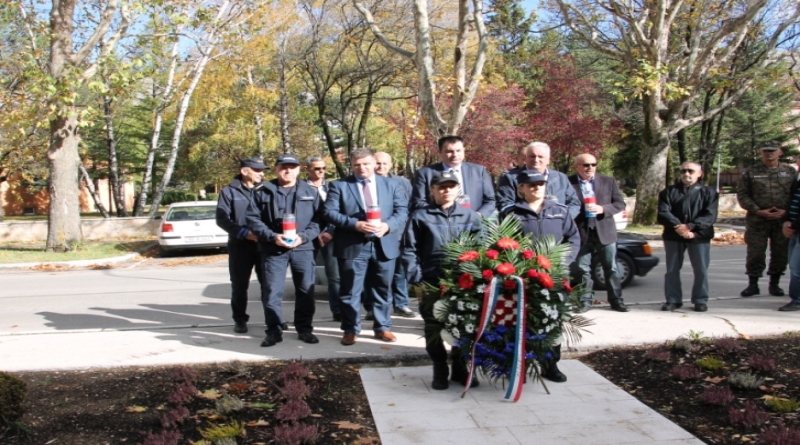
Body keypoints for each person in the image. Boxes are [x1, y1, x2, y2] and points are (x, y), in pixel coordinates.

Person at [403, 172, 482, 390]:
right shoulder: (420, 216)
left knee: (463, 325)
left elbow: (481, 250)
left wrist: (476, 277)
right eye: (441, 187)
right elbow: (410, 249)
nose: (446, 190)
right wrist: (416, 278)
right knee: (433, 326)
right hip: (430, 281)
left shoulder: (470, 217)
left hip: (463, 283)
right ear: (432, 190)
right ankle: (439, 367)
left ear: (458, 189)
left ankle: (459, 366)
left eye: (450, 186)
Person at [323, 148, 408, 346]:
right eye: (357, 165)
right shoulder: (339, 186)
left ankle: (383, 327)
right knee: (350, 290)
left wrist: (387, 226)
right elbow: (329, 212)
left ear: (374, 164)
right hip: (352, 245)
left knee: (382, 288)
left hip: (383, 244)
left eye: (366, 164)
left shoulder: (392, 184)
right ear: (351, 165)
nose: (362, 168)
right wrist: (355, 224)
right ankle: (351, 329)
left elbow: (402, 211)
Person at [503, 169, 580, 383]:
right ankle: (519, 363)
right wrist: (518, 268)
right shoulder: (511, 213)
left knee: (552, 320)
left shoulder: (559, 211)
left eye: (540, 184)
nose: (536, 187)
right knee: (520, 320)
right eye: (531, 185)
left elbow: (573, 238)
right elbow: (504, 243)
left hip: (553, 275)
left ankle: (550, 364)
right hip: (524, 277)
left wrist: (563, 262)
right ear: (521, 189)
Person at [246, 154, 322, 347]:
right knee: (272, 292)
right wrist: (273, 237)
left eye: (292, 167)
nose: (288, 170)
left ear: (299, 169)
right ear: (276, 169)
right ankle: (274, 331)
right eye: (283, 167)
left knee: (305, 290)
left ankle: (304, 329)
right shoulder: (262, 191)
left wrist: (303, 237)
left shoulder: (310, 191)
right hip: (273, 249)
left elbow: (320, 220)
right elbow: (253, 219)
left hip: (303, 248)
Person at [569, 153, 629, 313]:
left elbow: (619, 203)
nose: (590, 168)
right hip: (582, 232)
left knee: (611, 268)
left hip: (604, 231)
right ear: (577, 166)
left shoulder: (608, 181)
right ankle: (585, 301)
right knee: (582, 269)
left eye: (593, 165)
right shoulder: (569, 183)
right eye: (586, 165)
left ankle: (617, 301)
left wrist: (603, 209)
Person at [215, 157, 267, 334]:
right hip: (240, 246)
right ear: (245, 171)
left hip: (265, 245)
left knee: (269, 284)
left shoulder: (268, 189)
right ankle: (239, 319)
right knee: (239, 285)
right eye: (258, 170)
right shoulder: (229, 191)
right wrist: (244, 233)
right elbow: (222, 219)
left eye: (263, 170)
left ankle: (273, 319)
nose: (262, 173)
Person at [657, 162, 718, 312]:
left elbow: (710, 215)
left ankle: (700, 300)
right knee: (672, 269)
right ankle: (673, 299)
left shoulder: (709, 192)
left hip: (698, 235)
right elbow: (663, 213)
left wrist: (690, 227)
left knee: (701, 269)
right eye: (683, 171)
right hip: (673, 235)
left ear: (699, 173)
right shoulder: (668, 192)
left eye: (690, 171)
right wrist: (679, 227)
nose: (686, 174)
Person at [737, 143, 795, 297]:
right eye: (765, 151)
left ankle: (774, 284)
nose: (769, 153)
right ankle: (753, 284)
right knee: (755, 252)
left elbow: (796, 194)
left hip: (781, 220)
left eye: (772, 151)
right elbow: (742, 194)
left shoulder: (790, 171)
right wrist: (758, 210)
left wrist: (787, 211)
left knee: (780, 253)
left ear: (780, 152)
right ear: (761, 153)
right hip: (758, 220)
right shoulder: (751, 172)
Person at [374, 151, 418, 318]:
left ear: (391, 165)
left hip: (399, 233)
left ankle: (401, 304)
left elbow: (411, 206)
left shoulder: (402, 182)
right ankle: (375, 307)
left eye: (385, 163)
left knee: (399, 270)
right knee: (377, 273)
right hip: (375, 233)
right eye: (378, 163)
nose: (381, 167)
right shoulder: (368, 183)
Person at [411, 135, 496, 217]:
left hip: (473, 223)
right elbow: (418, 202)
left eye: (458, 151)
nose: (455, 155)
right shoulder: (425, 173)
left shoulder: (479, 171)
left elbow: (490, 200)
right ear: (440, 152)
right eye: (449, 151)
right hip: (439, 224)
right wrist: (439, 216)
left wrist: (478, 215)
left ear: (464, 150)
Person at [496, 142, 581, 218]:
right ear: (526, 159)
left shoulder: (561, 178)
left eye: (540, 157)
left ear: (548, 160)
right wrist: (530, 220)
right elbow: (505, 204)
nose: (536, 160)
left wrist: (562, 219)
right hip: (525, 230)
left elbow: (574, 203)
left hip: (558, 228)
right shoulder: (511, 178)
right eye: (532, 156)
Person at [305, 156, 341, 322]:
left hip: (331, 237)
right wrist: (312, 233)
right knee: (306, 276)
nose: (321, 171)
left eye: (323, 168)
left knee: (334, 276)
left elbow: (339, 211)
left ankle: (338, 311)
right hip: (308, 237)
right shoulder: (300, 188)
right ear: (307, 170)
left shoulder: (333, 187)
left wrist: (331, 231)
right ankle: (305, 313)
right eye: (316, 168)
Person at [779, 174, 800, 311]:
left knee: (797, 268)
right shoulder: (798, 181)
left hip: (796, 227)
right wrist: (786, 221)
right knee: (793, 266)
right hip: (795, 229)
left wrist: (793, 225)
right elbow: (791, 203)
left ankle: (797, 300)